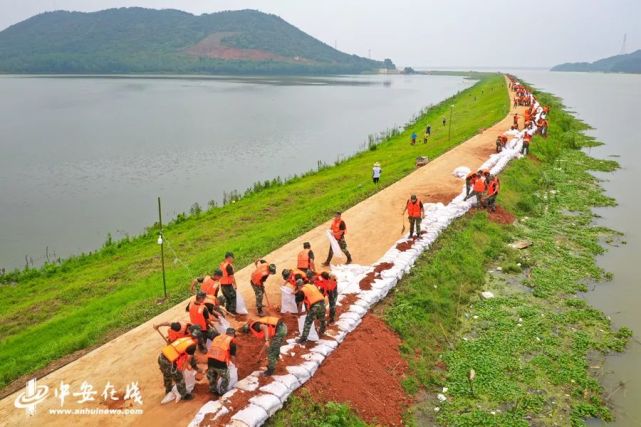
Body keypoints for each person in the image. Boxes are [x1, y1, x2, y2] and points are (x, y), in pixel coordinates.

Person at [157, 330, 201, 401]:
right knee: (179, 378)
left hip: (161, 357)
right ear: (196, 339)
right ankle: (184, 395)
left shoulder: (185, 339)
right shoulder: (192, 345)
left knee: (167, 375)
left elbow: (182, 354)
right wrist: (189, 369)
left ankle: (168, 390)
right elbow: (187, 360)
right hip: (169, 362)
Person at [295, 280, 326, 344]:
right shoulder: (311, 285)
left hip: (315, 305)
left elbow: (300, 305)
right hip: (322, 302)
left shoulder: (301, 292)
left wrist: (299, 314)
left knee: (308, 321)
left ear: (298, 286)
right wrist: (308, 311)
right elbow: (308, 301)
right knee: (322, 318)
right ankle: (322, 331)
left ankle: (303, 339)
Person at [207, 328, 236, 395]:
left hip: (210, 360)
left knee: (212, 376)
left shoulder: (217, 338)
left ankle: (212, 389)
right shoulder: (232, 343)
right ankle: (222, 393)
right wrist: (234, 365)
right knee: (226, 378)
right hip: (220, 363)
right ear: (233, 334)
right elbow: (232, 356)